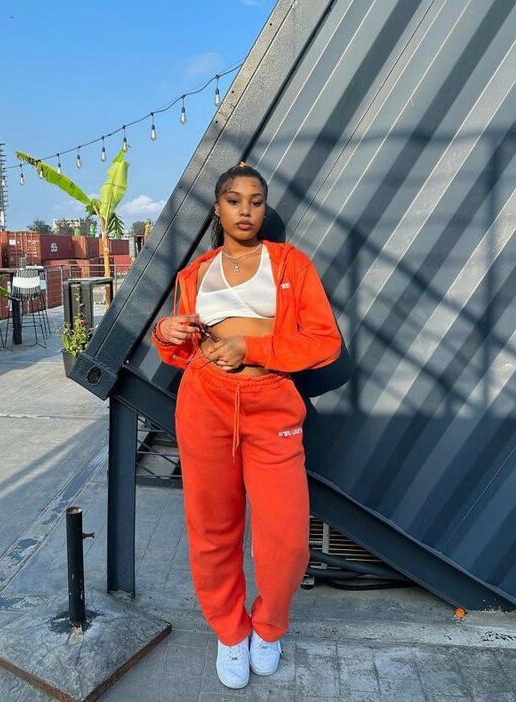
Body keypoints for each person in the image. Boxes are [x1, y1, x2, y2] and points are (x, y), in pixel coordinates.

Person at [150, 162, 342, 689]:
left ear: (264, 208)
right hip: (205, 401)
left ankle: (269, 626)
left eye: (256, 201)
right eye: (234, 201)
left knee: (286, 538)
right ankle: (231, 632)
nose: (246, 211)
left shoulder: (290, 264)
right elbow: (178, 352)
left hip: (271, 402)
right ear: (218, 208)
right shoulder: (195, 274)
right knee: (212, 528)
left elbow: (324, 342)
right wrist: (167, 331)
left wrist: (251, 347)